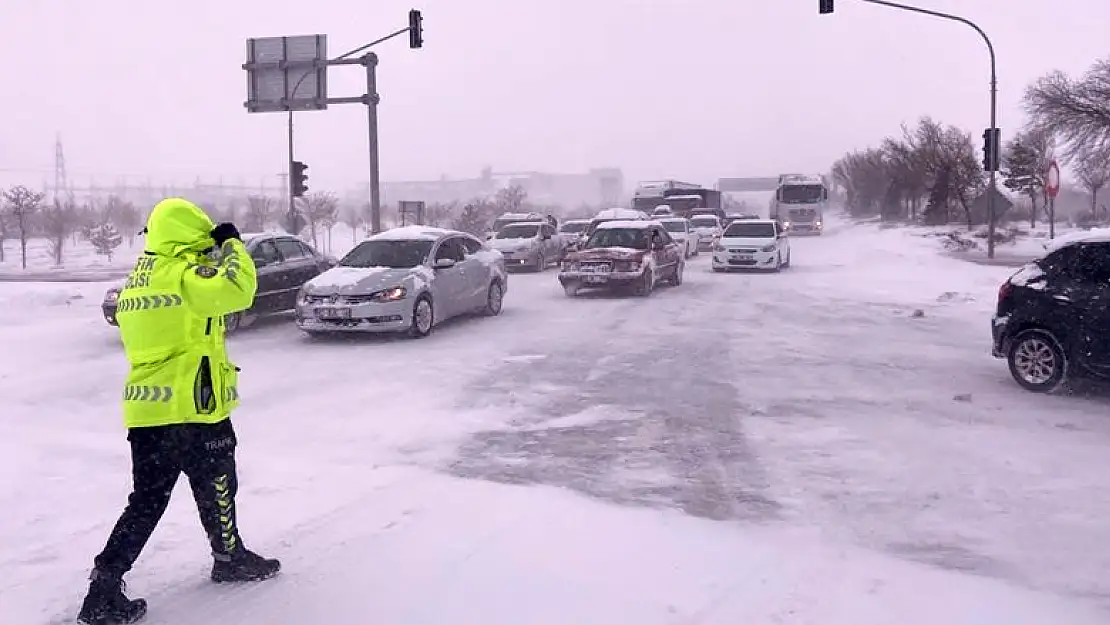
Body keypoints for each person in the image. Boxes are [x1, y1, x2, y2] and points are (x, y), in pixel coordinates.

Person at [77, 198, 280, 625]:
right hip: (195, 407)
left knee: (146, 502)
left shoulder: (136, 281)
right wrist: (232, 246)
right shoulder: (186, 275)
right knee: (219, 481)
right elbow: (240, 290)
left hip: (148, 413)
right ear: (191, 236)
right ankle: (229, 557)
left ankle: (103, 587)